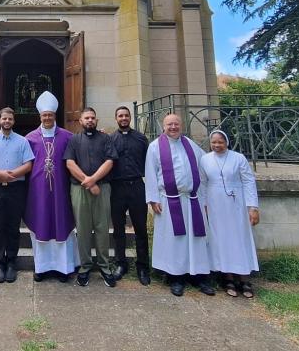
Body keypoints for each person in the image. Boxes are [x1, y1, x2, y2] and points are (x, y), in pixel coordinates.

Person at [144, 113, 214, 296]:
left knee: (195, 239)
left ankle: (199, 277)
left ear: (181, 125)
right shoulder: (154, 147)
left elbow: (206, 164)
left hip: (192, 200)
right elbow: (150, 174)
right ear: (163, 126)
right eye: (169, 124)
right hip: (169, 201)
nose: (173, 127)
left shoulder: (190, 144)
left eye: (176, 124)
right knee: (175, 241)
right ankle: (176, 278)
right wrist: (153, 199)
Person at [24, 91, 78, 283]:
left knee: (61, 225)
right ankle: (42, 268)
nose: (47, 117)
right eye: (44, 115)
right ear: (40, 116)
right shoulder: (30, 138)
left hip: (61, 191)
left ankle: (64, 268)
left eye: (50, 114)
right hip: (38, 193)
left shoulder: (68, 137)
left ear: (55, 115)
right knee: (41, 226)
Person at [200, 129, 260, 298]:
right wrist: (203, 204)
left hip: (236, 205)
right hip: (215, 205)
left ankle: (244, 278)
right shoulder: (205, 160)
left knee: (239, 239)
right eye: (214, 142)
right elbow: (203, 184)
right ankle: (227, 277)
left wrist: (253, 207)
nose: (217, 145)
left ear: (226, 142)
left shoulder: (238, 158)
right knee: (220, 240)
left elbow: (248, 182)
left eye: (220, 142)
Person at [0, 107, 34, 283]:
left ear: (13, 121)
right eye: (4, 118)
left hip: (16, 190)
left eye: (10, 119)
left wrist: (12, 175)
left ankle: (11, 263)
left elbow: (28, 164)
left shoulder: (22, 141)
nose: (7, 121)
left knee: (12, 227)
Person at [64, 107, 118, 287]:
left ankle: (104, 266)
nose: (90, 121)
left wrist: (94, 180)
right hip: (79, 189)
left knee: (102, 228)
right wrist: (88, 182)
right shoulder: (73, 140)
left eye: (93, 118)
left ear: (97, 120)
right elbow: (70, 163)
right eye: (86, 118)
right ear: (80, 121)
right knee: (83, 228)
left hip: (102, 188)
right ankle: (85, 266)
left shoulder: (106, 138)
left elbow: (110, 161)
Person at [109, 106, 151, 285]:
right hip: (117, 188)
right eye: (120, 115)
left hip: (136, 186)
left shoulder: (141, 139)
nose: (124, 118)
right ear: (116, 118)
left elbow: (149, 163)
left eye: (126, 115)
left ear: (130, 117)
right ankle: (121, 263)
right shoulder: (110, 139)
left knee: (140, 228)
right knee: (118, 229)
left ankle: (143, 267)